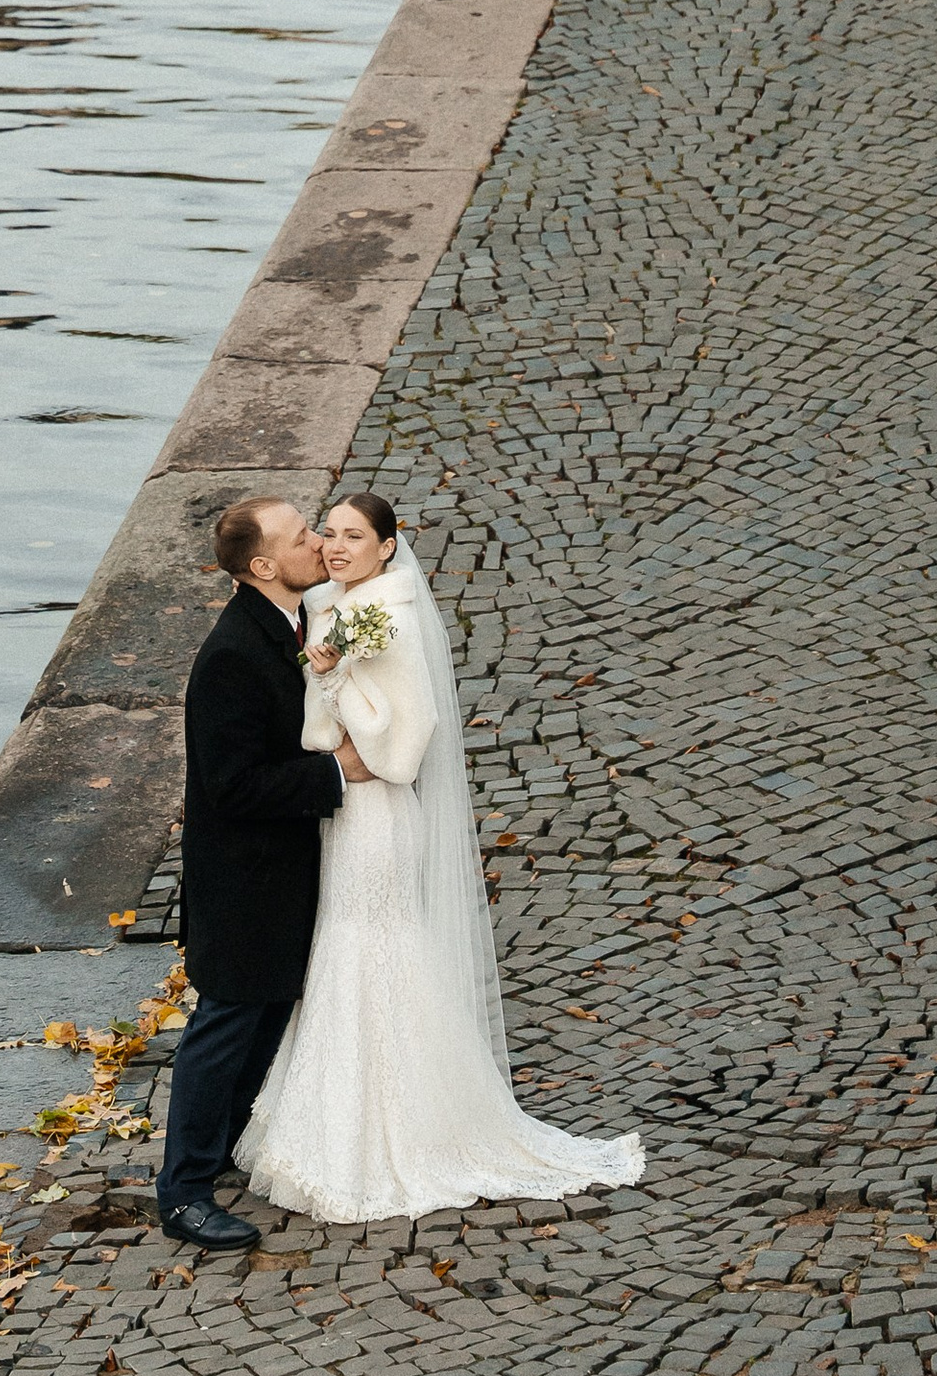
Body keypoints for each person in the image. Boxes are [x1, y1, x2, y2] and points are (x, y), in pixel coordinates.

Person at [236, 490, 644, 1224]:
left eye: (354, 537)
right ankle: (336, 1118)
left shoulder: (386, 617)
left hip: (375, 815)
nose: (335, 546)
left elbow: (406, 736)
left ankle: (395, 1132)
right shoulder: (330, 601)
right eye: (329, 533)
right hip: (336, 810)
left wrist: (330, 683)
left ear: (388, 547)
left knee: (371, 948)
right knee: (346, 949)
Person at [157, 495, 367, 1248]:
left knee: (269, 1014)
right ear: (264, 566)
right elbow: (232, 787)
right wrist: (337, 772)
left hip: (289, 871)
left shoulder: (297, 625)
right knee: (225, 1025)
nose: (318, 542)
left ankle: (224, 1154)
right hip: (243, 881)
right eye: (303, 535)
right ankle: (182, 1192)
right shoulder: (232, 656)